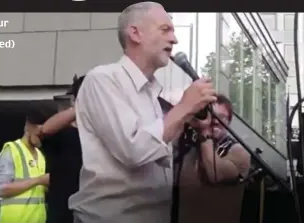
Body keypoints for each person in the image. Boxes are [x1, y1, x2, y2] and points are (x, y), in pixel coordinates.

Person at [68, 2, 218, 223]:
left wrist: (186, 119)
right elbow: (134, 150)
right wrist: (184, 108)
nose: (174, 39)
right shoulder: (102, 79)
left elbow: (154, 151)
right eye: (165, 29)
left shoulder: (151, 92)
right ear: (135, 33)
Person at [172, 94, 251, 223]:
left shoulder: (238, 152)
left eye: (221, 117)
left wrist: (204, 132)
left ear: (229, 121)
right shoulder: (188, 148)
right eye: (211, 115)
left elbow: (215, 174)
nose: (214, 121)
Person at [40, 75, 85, 223]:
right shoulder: (62, 133)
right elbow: (45, 130)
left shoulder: (103, 133)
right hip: (63, 213)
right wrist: (81, 107)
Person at [0, 110, 50, 223]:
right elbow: (3, 190)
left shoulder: (40, 155)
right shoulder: (11, 150)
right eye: (39, 134)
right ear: (28, 127)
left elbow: (37, 191)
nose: (42, 139)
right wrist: (39, 180)